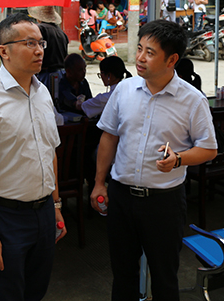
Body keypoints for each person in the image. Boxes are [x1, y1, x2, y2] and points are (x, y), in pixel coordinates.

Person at [90, 20, 217, 300]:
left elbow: (208, 149)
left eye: (150, 52)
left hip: (163, 202)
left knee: (164, 277)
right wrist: (99, 183)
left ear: (171, 60)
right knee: (122, 275)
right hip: (121, 197)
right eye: (139, 49)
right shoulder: (124, 90)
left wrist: (178, 159)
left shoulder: (192, 100)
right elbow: (109, 137)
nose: (140, 58)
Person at [0, 13, 66, 301]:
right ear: (4, 51)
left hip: (44, 211)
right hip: (8, 217)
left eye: (41, 43)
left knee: (36, 290)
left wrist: (56, 205)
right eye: (29, 43)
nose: (39, 50)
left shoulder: (42, 92)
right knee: (7, 293)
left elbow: (50, 152)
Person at [29, 6, 69, 98]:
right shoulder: (61, 32)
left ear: (39, 18)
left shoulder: (39, 29)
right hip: (61, 74)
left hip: (46, 74)